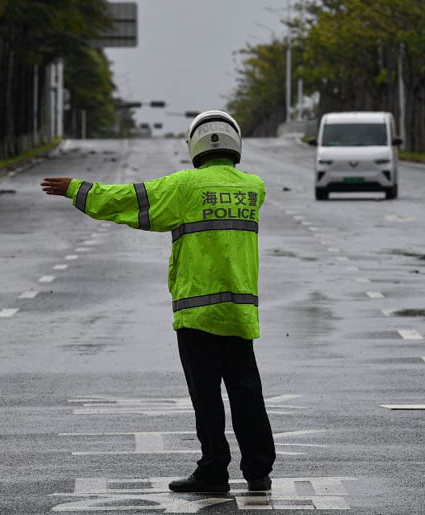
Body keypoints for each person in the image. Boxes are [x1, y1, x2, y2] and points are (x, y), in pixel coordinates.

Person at [40, 110, 276, 493]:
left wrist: (77, 189)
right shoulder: (254, 188)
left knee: (207, 399)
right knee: (246, 391)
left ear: (195, 144)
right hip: (239, 311)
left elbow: (125, 201)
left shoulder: (185, 187)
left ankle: (214, 470)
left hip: (198, 313)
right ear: (235, 143)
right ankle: (259, 473)